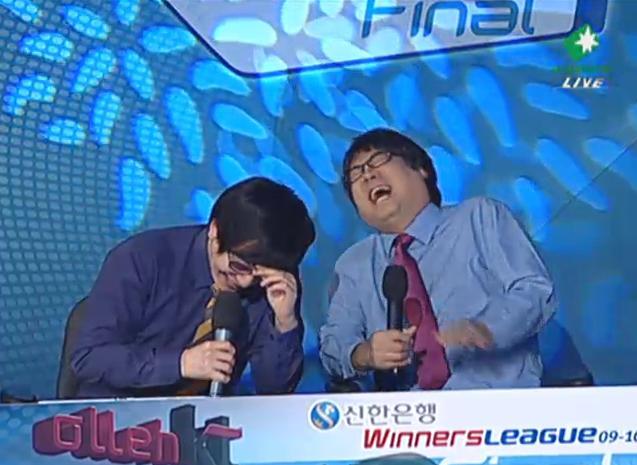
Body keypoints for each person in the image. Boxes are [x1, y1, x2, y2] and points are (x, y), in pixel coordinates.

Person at [319, 128, 557, 390]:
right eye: (356, 173)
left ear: (421, 169)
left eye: (378, 160)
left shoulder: (479, 217)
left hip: (496, 403)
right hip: (404, 412)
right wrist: (364, 354)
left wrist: (486, 328)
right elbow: (333, 346)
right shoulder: (353, 264)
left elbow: (534, 290)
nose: (367, 175)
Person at [71, 177, 315, 398]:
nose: (246, 282)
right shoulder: (142, 258)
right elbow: (90, 358)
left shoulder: (276, 283)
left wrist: (285, 322)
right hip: (117, 418)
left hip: (206, 423)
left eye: (260, 275)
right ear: (215, 231)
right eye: (239, 267)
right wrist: (182, 364)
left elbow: (274, 391)